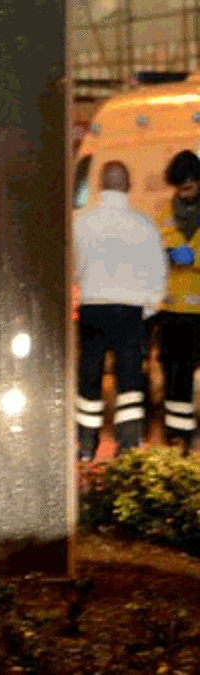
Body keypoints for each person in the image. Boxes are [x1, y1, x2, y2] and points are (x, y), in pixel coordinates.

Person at [74, 161, 167, 461]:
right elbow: (158, 273)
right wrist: (149, 308)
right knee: (129, 381)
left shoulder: (81, 223)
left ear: (100, 186)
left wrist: (80, 297)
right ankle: (128, 446)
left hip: (92, 308)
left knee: (89, 378)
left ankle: (86, 445)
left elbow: (72, 268)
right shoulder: (145, 225)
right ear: (128, 186)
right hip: (130, 313)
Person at [155, 149, 200, 452]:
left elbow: (176, 254)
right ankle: (178, 435)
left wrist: (181, 256)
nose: (183, 193)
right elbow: (155, 256)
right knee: (175, 378)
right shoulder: (163, 216)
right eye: (178, 187)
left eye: (189, 186)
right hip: (171, 311)